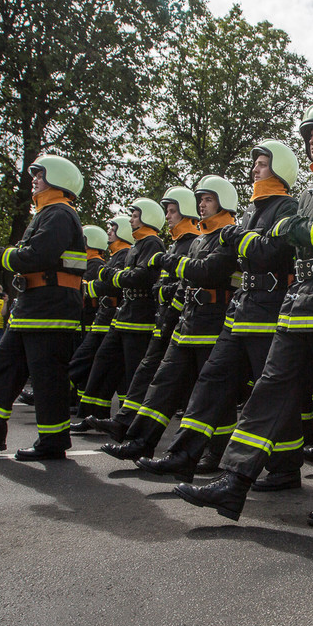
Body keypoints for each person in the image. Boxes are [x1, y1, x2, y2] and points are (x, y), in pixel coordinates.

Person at [173, 104, 313, 528]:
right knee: (268, 390)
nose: (311, 140)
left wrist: (295, 230)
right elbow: (284, 247)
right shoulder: (309, 193)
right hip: (300, 303)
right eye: (308, 134)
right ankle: (234, 480)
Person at [135, 141, 301, 482]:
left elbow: (269, 253)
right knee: (210, 381)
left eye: (263, 164)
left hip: (269, 312)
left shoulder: (288, 207)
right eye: (255, 164)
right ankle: (183, 454)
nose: (255, 169)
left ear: (280, 168)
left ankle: (285, 468)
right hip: (242, 310)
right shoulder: (255, 211)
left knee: (268, 392)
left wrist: (239, 238)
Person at [0, 154, 87, 461]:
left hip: (51, 309)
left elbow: (38, 255)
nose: (34, 181)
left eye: (40, 176)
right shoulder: (47, 214)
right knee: (3, 368)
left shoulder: (60, 214)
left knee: (47, 376)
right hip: (34, 306)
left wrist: (3, 257)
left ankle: (53, 442)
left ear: (57, 179)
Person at [100, 176, 239, 462]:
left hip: (213, 327)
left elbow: (208, 272)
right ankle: (139, 442)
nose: (201, 205)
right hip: (186, 325)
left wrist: (172, 262)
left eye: (208, 199)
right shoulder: (201, 238)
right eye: (200, 199)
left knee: (211, 395)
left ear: (223, 202)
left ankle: (215, 451)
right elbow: (186, 283)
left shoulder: (229, 234)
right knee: (162, 385)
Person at [76, 187, 201, 436]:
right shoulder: (168, 244)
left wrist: (111, 275)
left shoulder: (172, 242)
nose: (168, 216)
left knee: (146, 372)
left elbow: (145, 278)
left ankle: (134, 425)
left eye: (173, 211)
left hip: (152, 319)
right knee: (113, 364)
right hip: (139, 316)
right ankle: (106, 417)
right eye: (167, 211)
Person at [73, 198, 165, 422]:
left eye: (135, 216)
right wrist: (117, 277)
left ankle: (130, 419)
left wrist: (113, 276)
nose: (131, 220)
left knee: (133, 371)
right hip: (124, 315)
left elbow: (141, 277)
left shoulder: (152, 242)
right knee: (103, 363)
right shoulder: (137, 246)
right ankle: (91, 414)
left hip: (139, 318)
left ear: (147, 217)